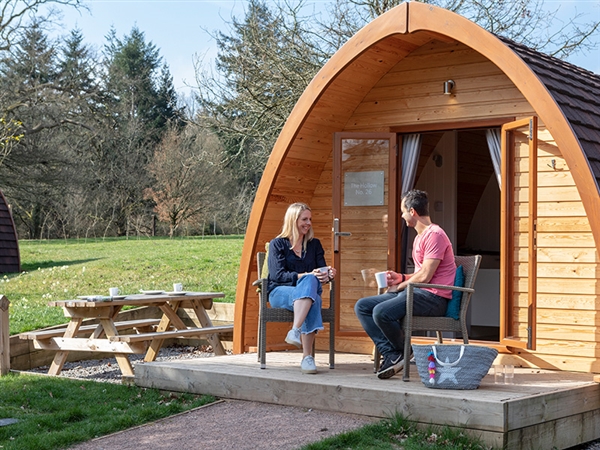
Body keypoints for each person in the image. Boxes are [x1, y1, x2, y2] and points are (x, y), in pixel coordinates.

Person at [355, 190, 456, 380]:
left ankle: (401, 352)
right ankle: (394, 354)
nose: (402, 216)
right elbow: (420, 274)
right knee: (363, 306)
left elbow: (425, 276)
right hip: (417, 293)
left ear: (412, 211)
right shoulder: (419, 237)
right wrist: (401, 278)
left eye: (403, 212)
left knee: (381, 312)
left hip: (433, 298)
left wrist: (400, 287)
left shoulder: (435, 235)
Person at [267, 202, 337, 374]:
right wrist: (306, 275)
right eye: (304, 219)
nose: (309, 223)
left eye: (310, 219)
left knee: (311, 287)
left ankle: (295, 330)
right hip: (280, 291)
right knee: (313, 298)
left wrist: (328, 274)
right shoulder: (278, 244)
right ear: (293, 220)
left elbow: (320, 271)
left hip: (308, 291)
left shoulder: (314, 244)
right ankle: (307, 357)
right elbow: (277, 276)